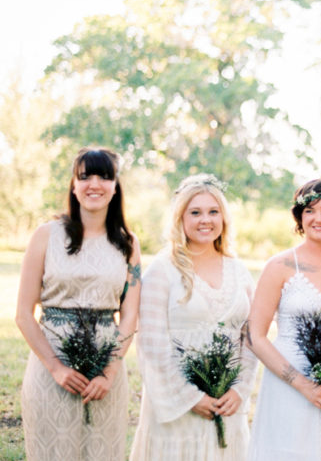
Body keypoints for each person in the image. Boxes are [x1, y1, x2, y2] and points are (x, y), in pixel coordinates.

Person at [17, 147, 141, 460]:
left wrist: (108, 374)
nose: (94, 184)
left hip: (105, 372)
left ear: (115, 187)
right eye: (85, 176)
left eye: (104, 176)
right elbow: (23, 314)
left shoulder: (127, 243)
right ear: (74, 185)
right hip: (51, 369)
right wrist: (56, 368)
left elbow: (129, 316)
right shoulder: (46, 235)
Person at [130, 173, 256, 460]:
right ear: (180, 219)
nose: (205, 220)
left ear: (224, 218)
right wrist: (191, 397)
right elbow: (152, 343)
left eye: (214, 212)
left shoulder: (239, 271)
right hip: (176, 411)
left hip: (228, 406)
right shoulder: (162, 271)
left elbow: (251, 338)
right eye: (195, 212)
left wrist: (239, 389)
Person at [247, 179, 321, 461]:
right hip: (288, 384)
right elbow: (254, 335)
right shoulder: (279, 266)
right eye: (310, 210)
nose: (319, 217)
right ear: (300, 218)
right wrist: (300, 383)